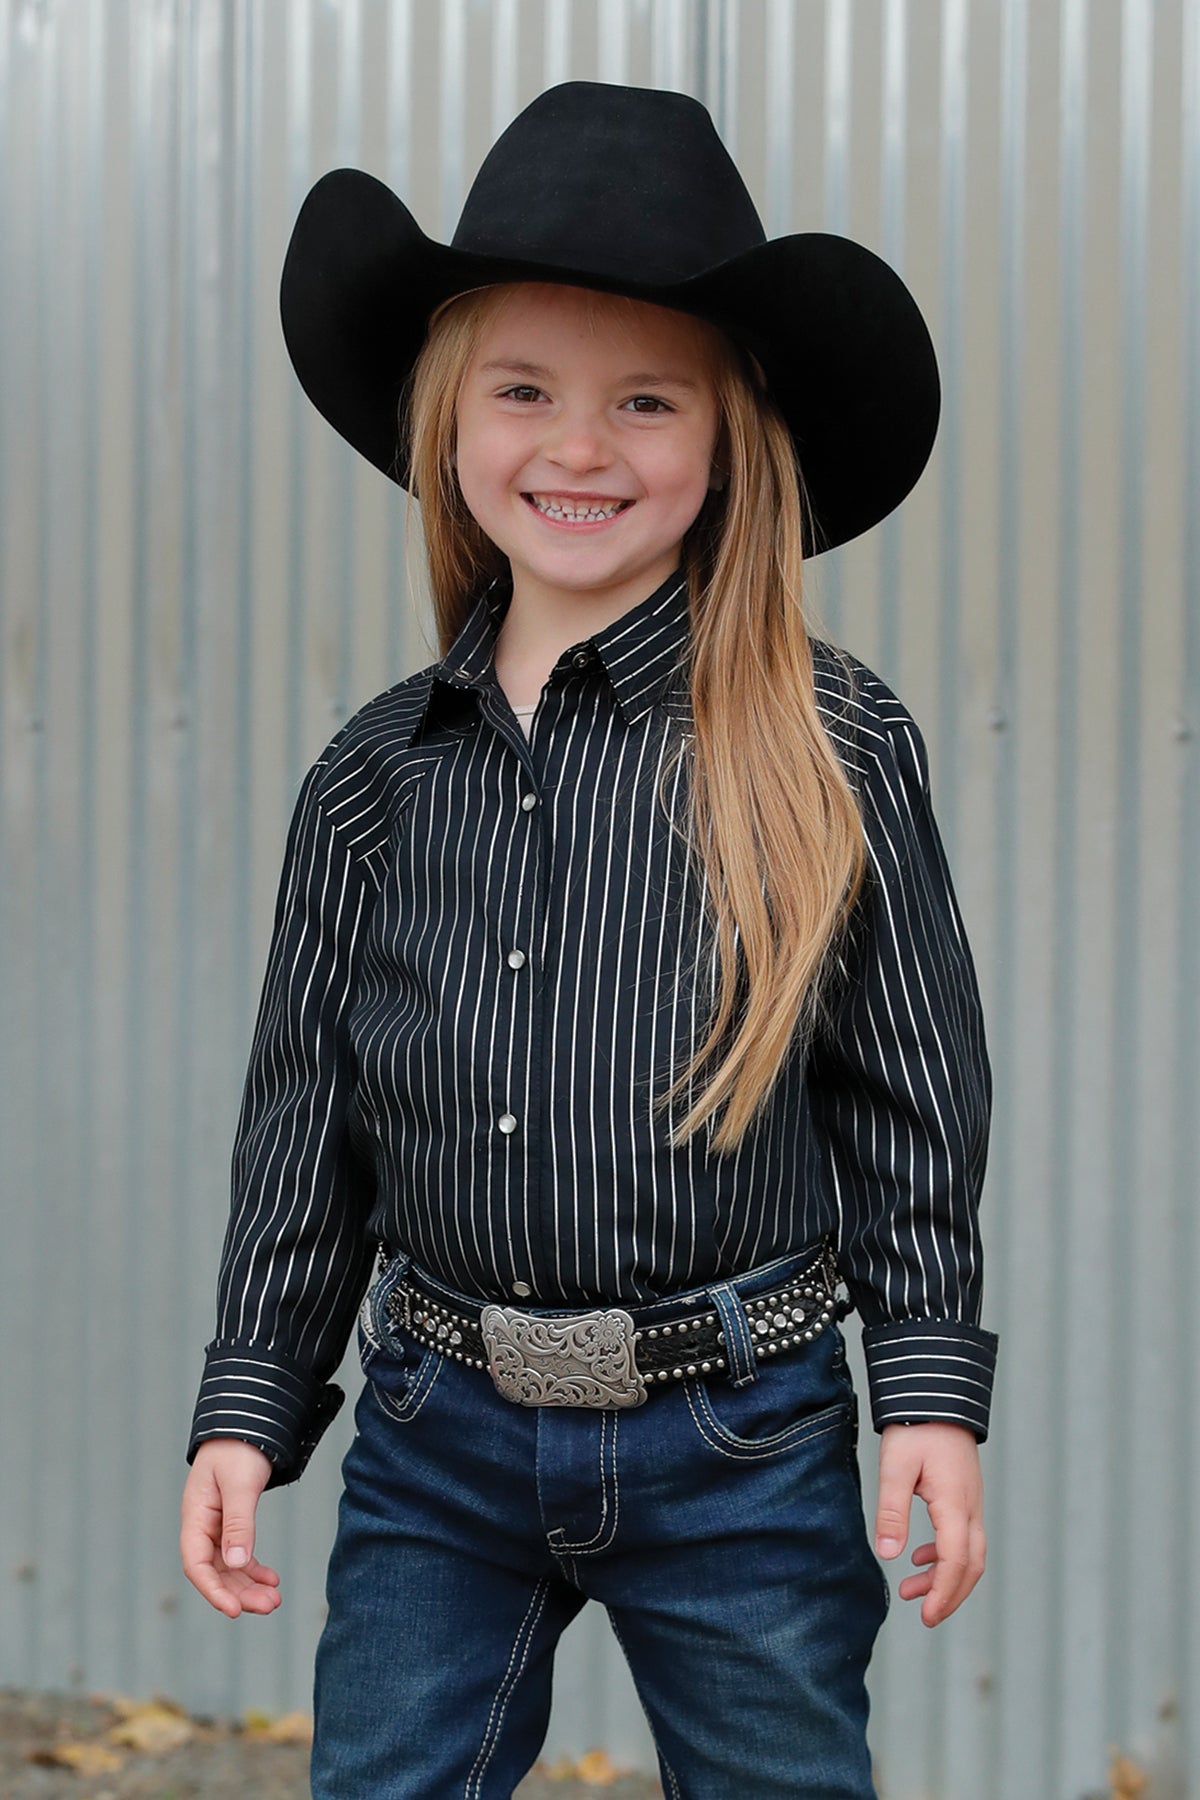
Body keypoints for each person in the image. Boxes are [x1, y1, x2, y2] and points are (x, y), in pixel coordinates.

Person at [180, 81, 997, 1800]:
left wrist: (927, 1390)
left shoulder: (832, 747)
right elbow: (300, 1124)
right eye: (523, 390)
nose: (578, 446)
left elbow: (914, 1096)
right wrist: (252, 1398)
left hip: (745, 1435)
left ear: (727, 439)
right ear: (446, 420)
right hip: (434, 1436)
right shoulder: (372, 777)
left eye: (646, 399)